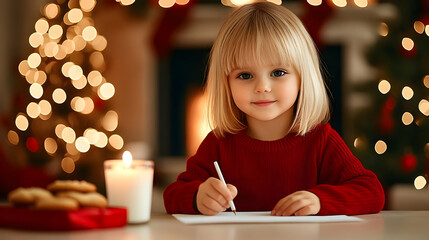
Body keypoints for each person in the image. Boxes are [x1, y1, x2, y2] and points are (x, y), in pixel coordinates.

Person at [163, 1, 385, 216]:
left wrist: (319, 200)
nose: (262, 87)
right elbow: (172, 195)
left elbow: (371, 192)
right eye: (245, 75)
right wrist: (197, 196)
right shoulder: (219, 143)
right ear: (226, 84)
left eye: (278, 73)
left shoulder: (322, 141)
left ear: (302, 78)